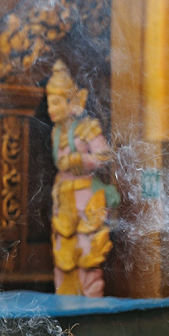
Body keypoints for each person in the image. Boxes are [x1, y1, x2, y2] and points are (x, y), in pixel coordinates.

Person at [48, 59, 116, 297]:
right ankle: (66, 310)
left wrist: (80, 162)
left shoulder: (87, 128)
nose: (50, 108)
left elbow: (105, 155)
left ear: (71, 101)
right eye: (49, 101)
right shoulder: (56, 132)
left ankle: (90, 310)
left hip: (86, 199)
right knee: (63, 257)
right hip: (63, 200)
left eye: (56, 101)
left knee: (88, 255)